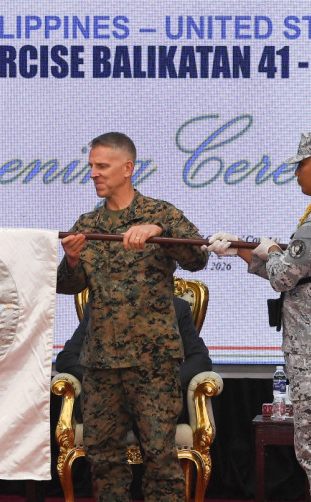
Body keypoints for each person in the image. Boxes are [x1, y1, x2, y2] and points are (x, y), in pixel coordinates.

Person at [207, 131, 311, 502]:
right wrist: (244, 253)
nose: (296, 173)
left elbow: (282, 275)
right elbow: (298, 274)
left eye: (301, 165)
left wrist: (272, 248)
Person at [57, 132, 208, 502]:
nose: (93, 174)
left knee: (160, 457)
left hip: (152, 362)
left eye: (101, 166)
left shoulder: (161, 213)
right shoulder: (88, 223)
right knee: (103, 460)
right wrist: (73, 259)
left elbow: (198, 257)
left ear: (127, 168)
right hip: (101, 362)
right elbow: (67, 284)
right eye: (91, 166)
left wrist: (160, 231)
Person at [56, 296, 213, 423]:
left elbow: (200, 359)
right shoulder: (99, 306)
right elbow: (66, 358)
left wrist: (165, 382)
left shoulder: (177, 307)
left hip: (157, 402)